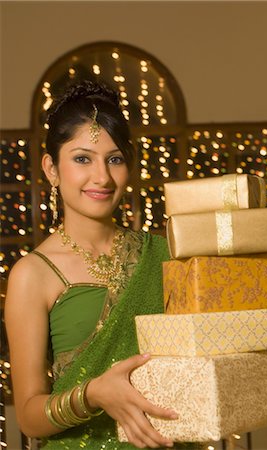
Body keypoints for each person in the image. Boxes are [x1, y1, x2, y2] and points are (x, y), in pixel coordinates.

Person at [5, 80, 180, 450]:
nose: (102, 177)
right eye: (82, 158)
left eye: (114, 159)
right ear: (51, 168)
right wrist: (93, 394)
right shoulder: (32, 275)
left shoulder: (165, 254)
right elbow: (28, 416)